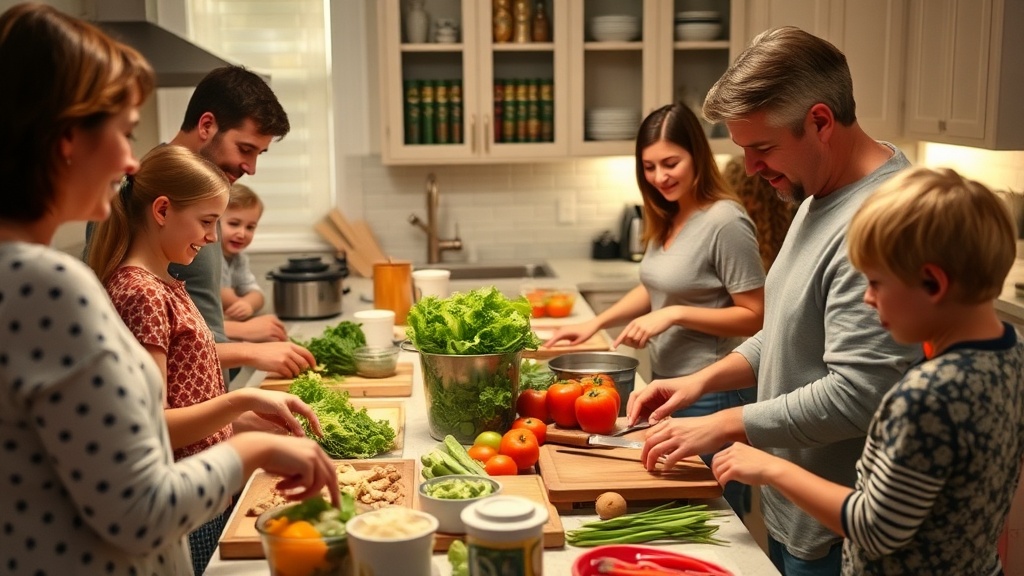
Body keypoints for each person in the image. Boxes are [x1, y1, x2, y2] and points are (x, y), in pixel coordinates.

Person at [0, 4, 338, 575]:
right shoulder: (45, 286)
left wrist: (238, 419)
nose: (134, 160)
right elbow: (140, 508)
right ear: (66, 139)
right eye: (126, 132)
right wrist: (252, 446)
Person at [626, 26, 920, 575]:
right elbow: (785, 331)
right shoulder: (815, 192)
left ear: (820, 122)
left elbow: (859, 393)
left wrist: (727, 422)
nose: (753, 169)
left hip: (839, 531)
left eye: (762, 148)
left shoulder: (884, 218)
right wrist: (702, 382)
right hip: (794, 509)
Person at [712, 166, 1024, 575]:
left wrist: (771, 468)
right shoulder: (1012, 351)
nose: (868, 298)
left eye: (876, 282)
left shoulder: (925, 397)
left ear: (933, 283)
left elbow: (875, 527)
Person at [88, 144, 327, 573]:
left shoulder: (162, 283)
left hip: (209, 488)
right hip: (188, 501)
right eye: (206, 221)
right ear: (162, 210)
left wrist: (243, 422)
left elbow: (184, 394)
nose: (213, 238)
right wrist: (243, 402)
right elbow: (155, 426)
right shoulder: (140, 292)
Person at [543, 103, 765, 517]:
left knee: (712, 511)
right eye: (649, 166)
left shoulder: (725, 223)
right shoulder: (669, 213)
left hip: (713, 393)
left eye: (670, 162)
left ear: (697, 155)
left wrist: (675, 314)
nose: (660, 176)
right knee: (673, 506)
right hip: (670, 386)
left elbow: (756, 315)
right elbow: (653, 287)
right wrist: (594, 322)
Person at [221, 183, 266, 321]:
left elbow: (257, 294)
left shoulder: (239, 259)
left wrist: (248, 304)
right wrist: (240, 303)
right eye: (234, 224)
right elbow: (220, 293)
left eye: (250, 227)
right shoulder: (209, 254)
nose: (242, 233)